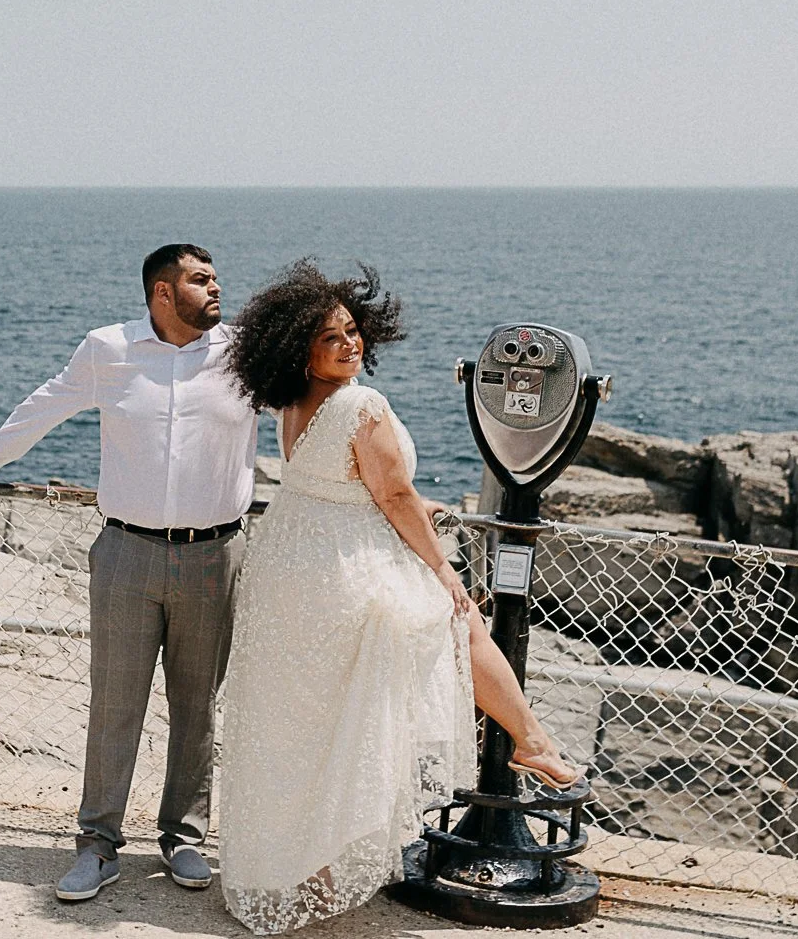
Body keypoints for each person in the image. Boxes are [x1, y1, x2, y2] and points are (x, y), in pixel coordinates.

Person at [214, 260, 582, 935]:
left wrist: (407, 510)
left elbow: (342, 482)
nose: (350, 345)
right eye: (331, 338)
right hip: (349, 564)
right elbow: (393, 494)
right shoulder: (361, 404)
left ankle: (305, 857)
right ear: (302, 348)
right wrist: (442, 568)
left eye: (353, 331)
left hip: (297, 568)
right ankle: (530, 738)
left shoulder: (294, 402)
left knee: (316, 724)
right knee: (458, 621)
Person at [0, 243, 257, 903]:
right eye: (201, 279)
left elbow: (308, 410)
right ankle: (99, 843)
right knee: (116, 706)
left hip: (214, 555)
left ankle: (184, 836)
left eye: (217, 277)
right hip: (125, 554)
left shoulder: (245, 351)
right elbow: (42, 406)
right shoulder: (108, 349)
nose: (216, 288)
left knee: (197, 706)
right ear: (163, 293)